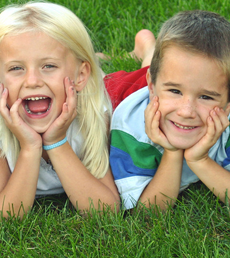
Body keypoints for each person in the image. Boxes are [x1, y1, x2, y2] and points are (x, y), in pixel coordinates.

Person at [0, 1, 119, 219]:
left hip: (104, 88)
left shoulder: (95, 113)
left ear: (80, 76)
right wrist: (30, 147)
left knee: (132, 81)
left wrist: (56, 142)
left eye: (49, 66)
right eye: (16, 68)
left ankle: (145, 48)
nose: (32, 81)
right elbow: (8, 214)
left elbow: (105, 210)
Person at [106, 10, 230, 211]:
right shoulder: (130, 127)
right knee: (98, 78)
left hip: (162, 87)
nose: (186, 111)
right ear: (151, 87)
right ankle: (147, 48)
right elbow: (147, 213)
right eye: (175, 91)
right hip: (127, 89)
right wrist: (172, 153)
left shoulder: (226, 123)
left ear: (227, 104)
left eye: (205, 97)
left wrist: (200, 160)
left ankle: (149, 49)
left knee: (165, 72)